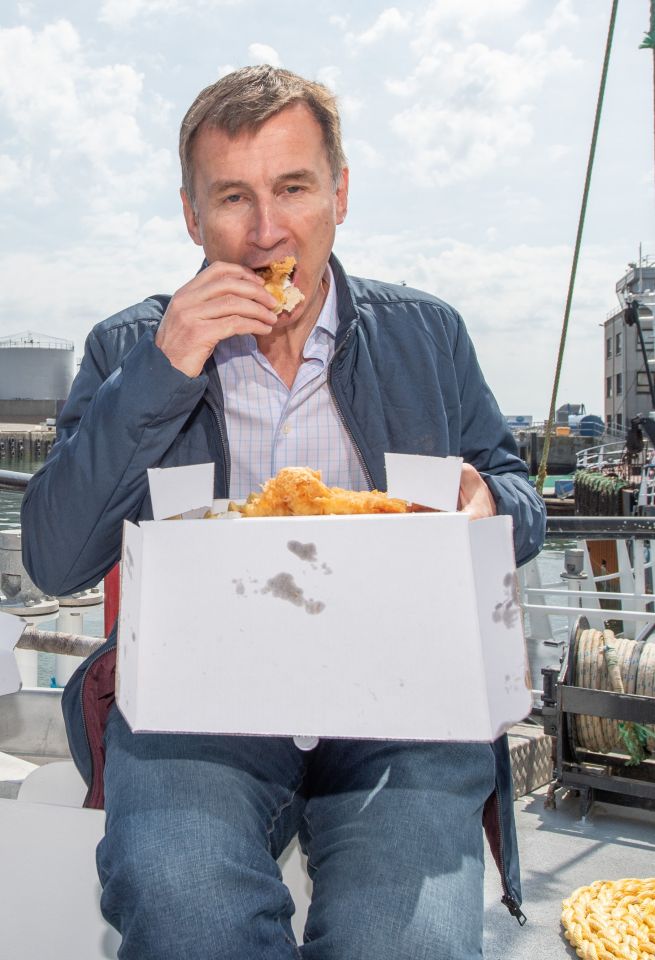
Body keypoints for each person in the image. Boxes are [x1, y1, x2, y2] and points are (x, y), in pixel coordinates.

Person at [21, 66, 546, 959]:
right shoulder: (126, 345)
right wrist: (162, 369)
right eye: (233, 198)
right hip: (200, 699)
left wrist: (491, 500)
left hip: (400, 699)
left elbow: (510, 485)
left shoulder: (427, 334)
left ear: (339, 193)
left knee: (409, 938)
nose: (267, 231)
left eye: (293, 187)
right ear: (192, 217)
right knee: (179, 894)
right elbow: (55, 556)